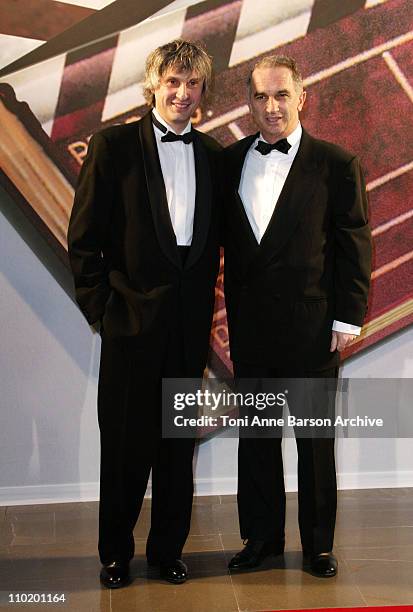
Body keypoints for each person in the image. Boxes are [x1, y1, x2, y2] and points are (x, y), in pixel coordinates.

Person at [67, 39, 221, 588]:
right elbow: (83, 242)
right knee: (126, 450)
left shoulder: (212, 154)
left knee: (177, 453)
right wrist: (104, 312)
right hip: (129, 329)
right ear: (153, 85)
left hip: (187, 333)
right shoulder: (112, 147)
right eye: (173, 82)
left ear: (203, 90)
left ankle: (167, 552)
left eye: (192, 83)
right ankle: (115, 554)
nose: (182, 93)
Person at [223, 55, 371, 577]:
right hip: (251, 330)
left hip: (313, 330)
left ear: (302, 96)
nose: (271, 106)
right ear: (248, 102)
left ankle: (317, 546)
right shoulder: (228, 161)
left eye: (281, 95)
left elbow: (355, 247)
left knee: (314, 444)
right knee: (257, 440)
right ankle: (261, 539)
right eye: (261, 96)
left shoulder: (336, 163)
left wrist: (347, 320)